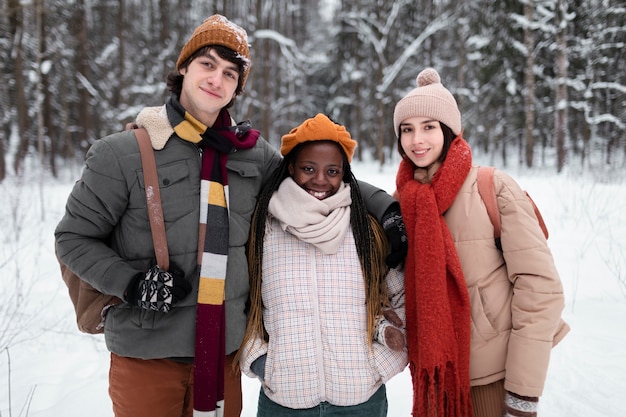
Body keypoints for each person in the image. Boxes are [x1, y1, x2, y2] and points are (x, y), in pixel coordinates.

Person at [54, 16, 407, 417]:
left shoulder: (251, 156)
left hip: (224, 358)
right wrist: (133, 284)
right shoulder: (123, 153)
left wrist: (386, 209)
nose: (216, 80)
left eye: (230, 73)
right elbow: (73, 238)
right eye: (207, 64)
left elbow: (317, 181)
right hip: (147, 357)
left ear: (238, 87)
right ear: (184, 67)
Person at [391, 68, 570, 417]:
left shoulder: (493, 187)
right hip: (436, 383)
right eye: (407, 130)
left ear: (449, 130)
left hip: (494, 381)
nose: (417, 140)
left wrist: (522, 393)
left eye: (429, 127)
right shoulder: (401, 202)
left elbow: (540, 289)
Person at [237, 113, 408, 416]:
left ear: (344, 173)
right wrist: (262, 362)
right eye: (308, 168)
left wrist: (379, 366)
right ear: (290, 168)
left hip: (361, 402)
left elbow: (402, 296)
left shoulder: (365, 231)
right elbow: (240, 300)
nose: (320, 179)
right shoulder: (264, 230)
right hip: (284, 403)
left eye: (332, 170)